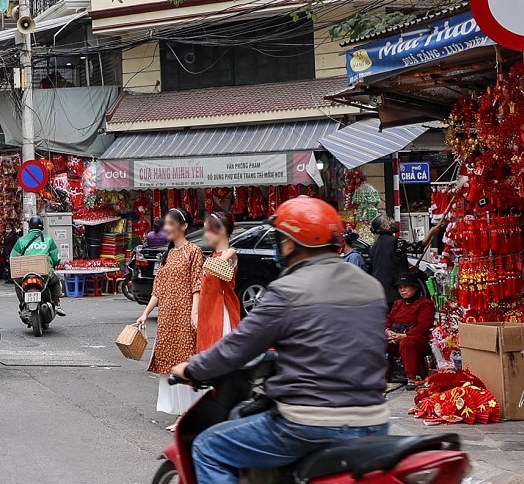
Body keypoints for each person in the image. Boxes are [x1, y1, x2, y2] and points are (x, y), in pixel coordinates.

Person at [171, 197, 390, 483]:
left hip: (309, 423)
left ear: (289, 243)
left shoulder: (287, 289)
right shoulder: (370, 285)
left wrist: (191, 368)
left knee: (208, 447)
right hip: (375, 421)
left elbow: (237, 347)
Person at [135, 208, 205, 427]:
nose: (167, 228)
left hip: (185, 314)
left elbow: (197, 285)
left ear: (183, 226)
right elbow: (158, 290)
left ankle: (188, 414)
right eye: (166, 224)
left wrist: (195, 312)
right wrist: (145, 314)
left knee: (185, 359)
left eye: (171, 223)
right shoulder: (168, 254)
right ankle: (180, 413)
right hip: (167, 316)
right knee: (169, 363)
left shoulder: (193, 251)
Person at [194, 212, 240, 353]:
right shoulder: (216, 256)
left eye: (209, 230)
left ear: (222, 231)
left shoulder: (229, 256)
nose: (206, 235)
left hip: (220, 313)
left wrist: (230, 250)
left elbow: (220, 264)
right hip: (209, 312)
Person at [385, 272, 436, 390]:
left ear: (415, 287)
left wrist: (404, 335)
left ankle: (412, 378)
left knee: (407, 343)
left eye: (406, 287)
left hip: (416, 337)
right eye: (400, 288)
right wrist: (388, 331)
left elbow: (424, 326)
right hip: (396, 334)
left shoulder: (425, 304)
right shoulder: (398, 304)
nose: (402, 290)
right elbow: (389, 319)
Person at [11, 216, 65, 316]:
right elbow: (56, 259)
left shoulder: (21, 241)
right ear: (42, 227)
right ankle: (57, 303)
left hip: (24, 274)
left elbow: (13, 258)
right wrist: (55, 264)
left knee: (17, 282)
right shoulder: (48, 240)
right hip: (44, 273)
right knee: (55, 280)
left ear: (30, 227)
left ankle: (22, 302)